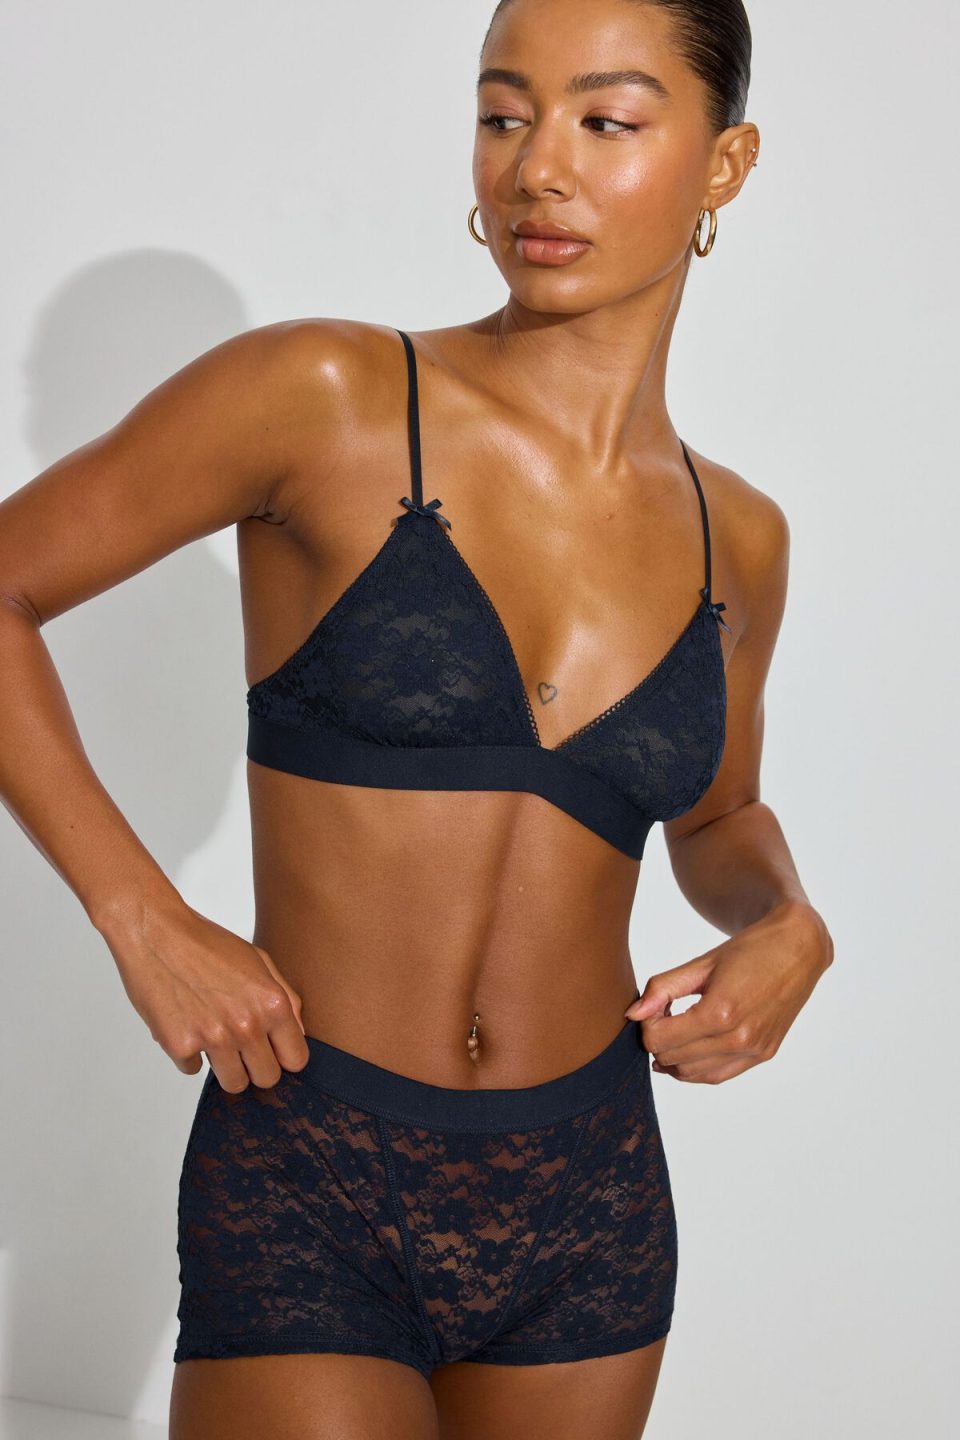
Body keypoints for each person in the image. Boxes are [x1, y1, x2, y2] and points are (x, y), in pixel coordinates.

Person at [0, 0, 834, 1436]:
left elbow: (717, 814)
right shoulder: (325, 396)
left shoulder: (737, 536)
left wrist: (788, 921)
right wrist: (142, 916)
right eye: (504, 115)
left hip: (588, 1196)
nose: (537, 169)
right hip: (312, 1164)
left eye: (607, 121)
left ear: (725, 163)